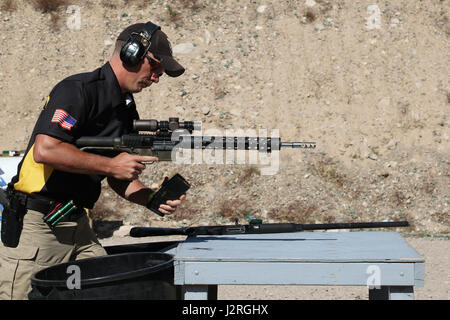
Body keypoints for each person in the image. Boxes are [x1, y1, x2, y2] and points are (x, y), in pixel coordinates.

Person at [0, 22, 186, 300]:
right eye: (156, 67)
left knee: (111, 293)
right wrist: (112, 165)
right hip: (39, 227)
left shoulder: (125, 107)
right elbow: (46, 150)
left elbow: (116, 175)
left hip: (78, 225)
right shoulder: (77, 90)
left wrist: (149, 198)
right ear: (132, 53)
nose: (157, 77)